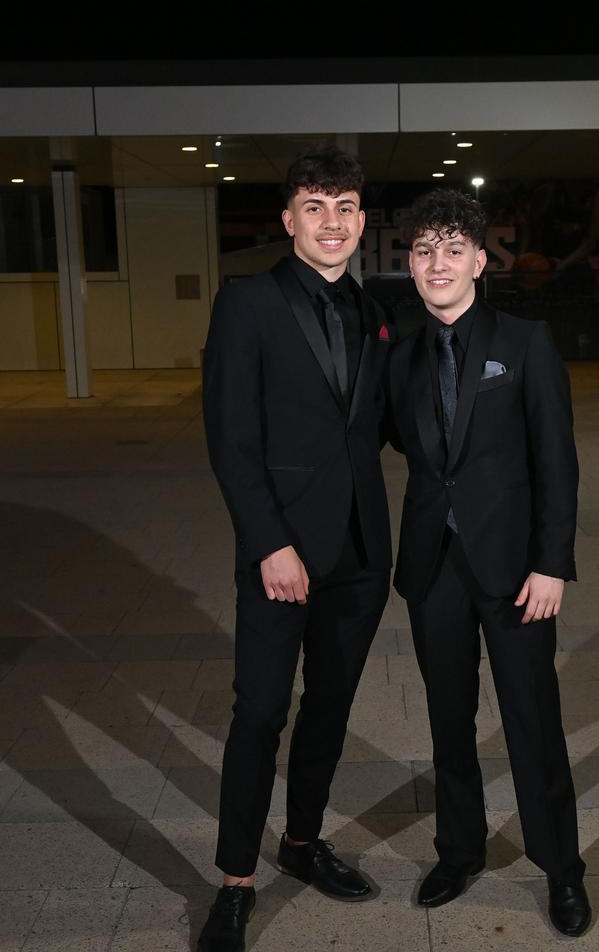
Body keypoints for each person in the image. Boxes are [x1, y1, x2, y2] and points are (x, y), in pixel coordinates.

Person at [198, 147, 393, 951]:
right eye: (315, 206)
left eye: (345, 207)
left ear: (360, 221)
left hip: (359, 554)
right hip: (281, 556)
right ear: (288, 220)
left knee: (330, 711)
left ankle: (303, 843)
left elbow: (383, 421)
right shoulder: (248, 303)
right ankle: (236, 884)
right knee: (261, 714)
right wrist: (269, 543)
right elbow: (231, 439)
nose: (333, 222)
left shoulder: (375, 308)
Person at [384, 189, 591, 937]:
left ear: (478, 259)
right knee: (448, 723)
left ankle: (562, 870)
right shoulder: (400, 354)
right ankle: (459, 851)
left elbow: (557, 464)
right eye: (423, 250)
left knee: (534, 723)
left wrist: (551, 564)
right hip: (433, 569)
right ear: (410, 264)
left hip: (515, 574)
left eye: (451, 249)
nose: (437, 263)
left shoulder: (526, 343)